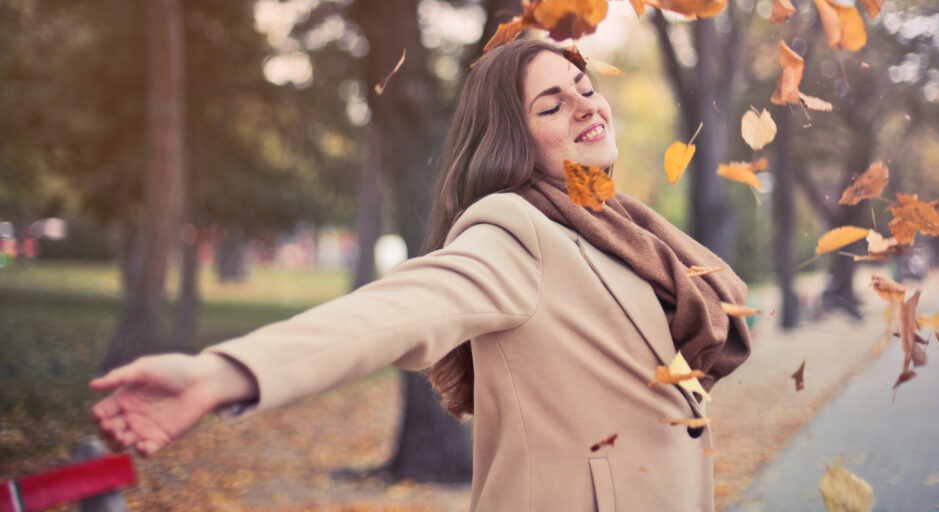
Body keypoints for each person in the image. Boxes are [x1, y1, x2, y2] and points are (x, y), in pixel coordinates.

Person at [91, 39, 751, 511]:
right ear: (511, 142)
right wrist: (221, 374)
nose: (585, 107)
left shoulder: (618, 229)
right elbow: (394, 313)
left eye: (584, 89)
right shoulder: (515, 231)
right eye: (551, 107)